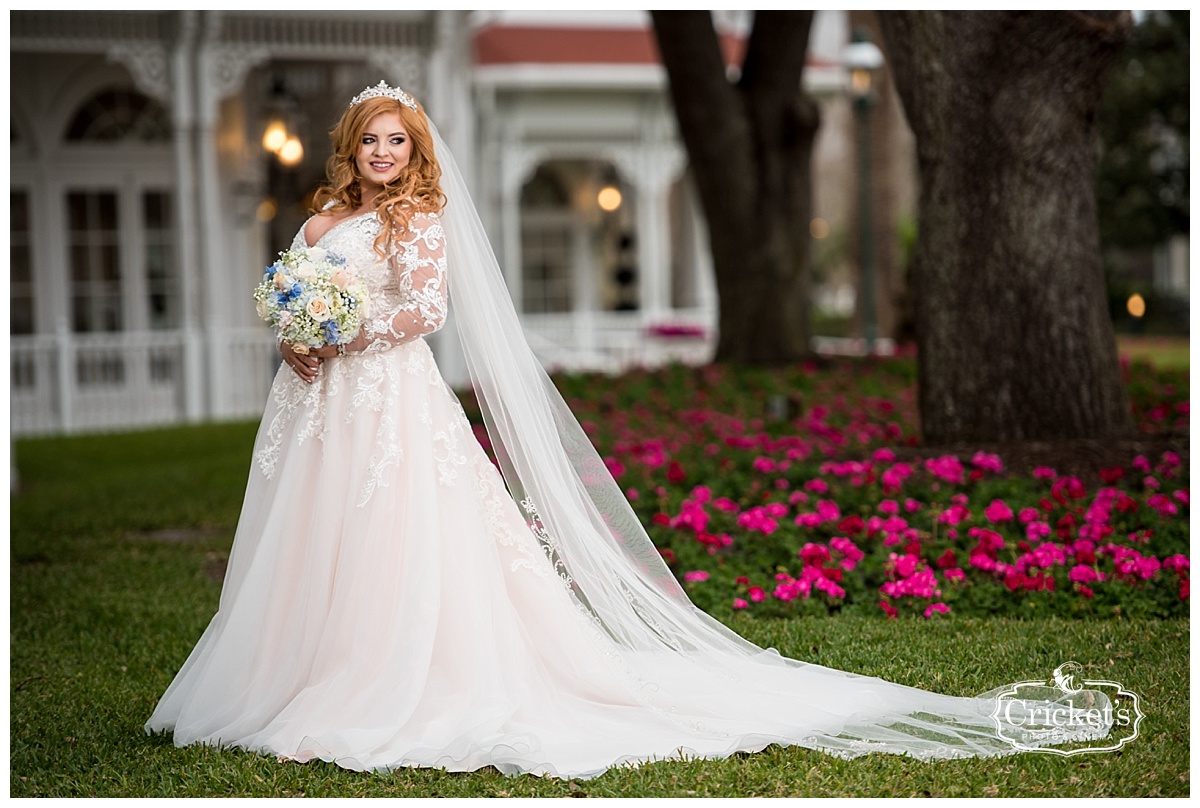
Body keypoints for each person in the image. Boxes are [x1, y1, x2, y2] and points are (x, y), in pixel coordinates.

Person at [145, 82, 1111, 779]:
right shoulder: (320, 226)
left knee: (399, 535)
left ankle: (385, 678)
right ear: (351, 148)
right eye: (372, 143)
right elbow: (292, 303)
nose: (385, 157)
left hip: (391, 398)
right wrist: (299, 344)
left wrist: (348, 330)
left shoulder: (420, 223)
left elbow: (430, 313)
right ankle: (295, 671)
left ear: (416, 151)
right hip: (319, 406)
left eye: (399, 143)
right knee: (312, 537)